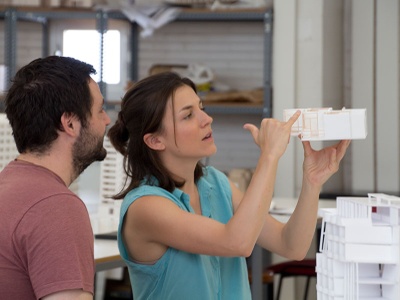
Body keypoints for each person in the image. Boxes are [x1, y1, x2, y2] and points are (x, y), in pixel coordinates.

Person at [107, 71, 350, 300]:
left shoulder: (216, 184)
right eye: (188, 115)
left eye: (201, 108)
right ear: (155, 140)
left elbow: (291, 245)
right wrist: (269, 156)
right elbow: (238, 242)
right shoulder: (146, 207)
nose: (207, 119)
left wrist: (312, 181)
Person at [0, 56, 111, 299]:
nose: (107, 120)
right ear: (70, 123)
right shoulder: (56, 207)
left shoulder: (7, 185)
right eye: (100, 110)